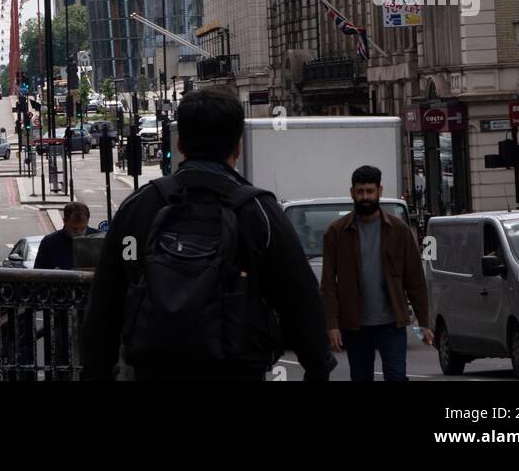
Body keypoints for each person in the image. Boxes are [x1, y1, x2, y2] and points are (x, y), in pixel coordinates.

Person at [80, 86, 333, 382]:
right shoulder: (258, 212)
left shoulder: (140, 206)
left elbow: (105, 303)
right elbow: (300, 298)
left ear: (181, 144)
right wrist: (317, 366)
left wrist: (96, 372)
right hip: (236, 370)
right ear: (237, 147)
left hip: (155, 369)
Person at [321, 164, 433, 383]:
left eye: (370, 191)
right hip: (355, 325)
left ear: (379, 191)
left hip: (392, 323)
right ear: (352, 192)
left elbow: (415, 279)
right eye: (360, 191)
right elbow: (327, 284)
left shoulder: (398, 230)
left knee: (396, 376)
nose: (365, 197)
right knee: (361, 378)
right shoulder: (336, 232)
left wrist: (424, 321)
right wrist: (332, 325)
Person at [33, 202, 91, 270]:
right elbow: (38, 272)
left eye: (83, 227)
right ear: (64, 221)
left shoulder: (100, 239)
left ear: (88, 221)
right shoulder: (49, 242)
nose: (78, 232)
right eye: (74, 228)